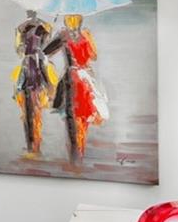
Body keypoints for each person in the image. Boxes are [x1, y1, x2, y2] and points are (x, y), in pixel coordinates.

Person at [51, 13, 108, 163]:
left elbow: (46, 52)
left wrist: (54, 31)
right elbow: (93, 56)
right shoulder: (86, 34)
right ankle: (79, 152)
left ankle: (75, 155)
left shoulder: (63, 35)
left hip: (72, 78)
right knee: (83, 115)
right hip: (85, 78)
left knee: (71, 116)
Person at [11, 10, 58, 154]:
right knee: (35, 108)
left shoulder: (21, 27)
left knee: (27, 108)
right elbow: (47, 46)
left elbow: (18, 50)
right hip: (36, 64)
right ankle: (35, 144)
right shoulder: (44, 26)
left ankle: (32, 144)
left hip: (28, 64)